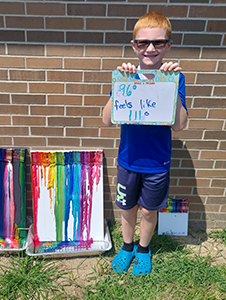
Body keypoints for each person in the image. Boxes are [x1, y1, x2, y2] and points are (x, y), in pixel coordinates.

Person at [102, 12, 188, 276]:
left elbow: (180, 124)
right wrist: (120, 85)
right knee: (127, 209)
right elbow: (106, 120)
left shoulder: (174, 78)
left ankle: (143, 248)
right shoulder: (126, 77)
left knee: (149, 211)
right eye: (143, 43)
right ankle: (127, 247)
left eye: (158, 42)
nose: (150, 48)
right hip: (128, 160)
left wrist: (171, 84)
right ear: (134, 46)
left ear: (168, 45)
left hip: (157, 162)